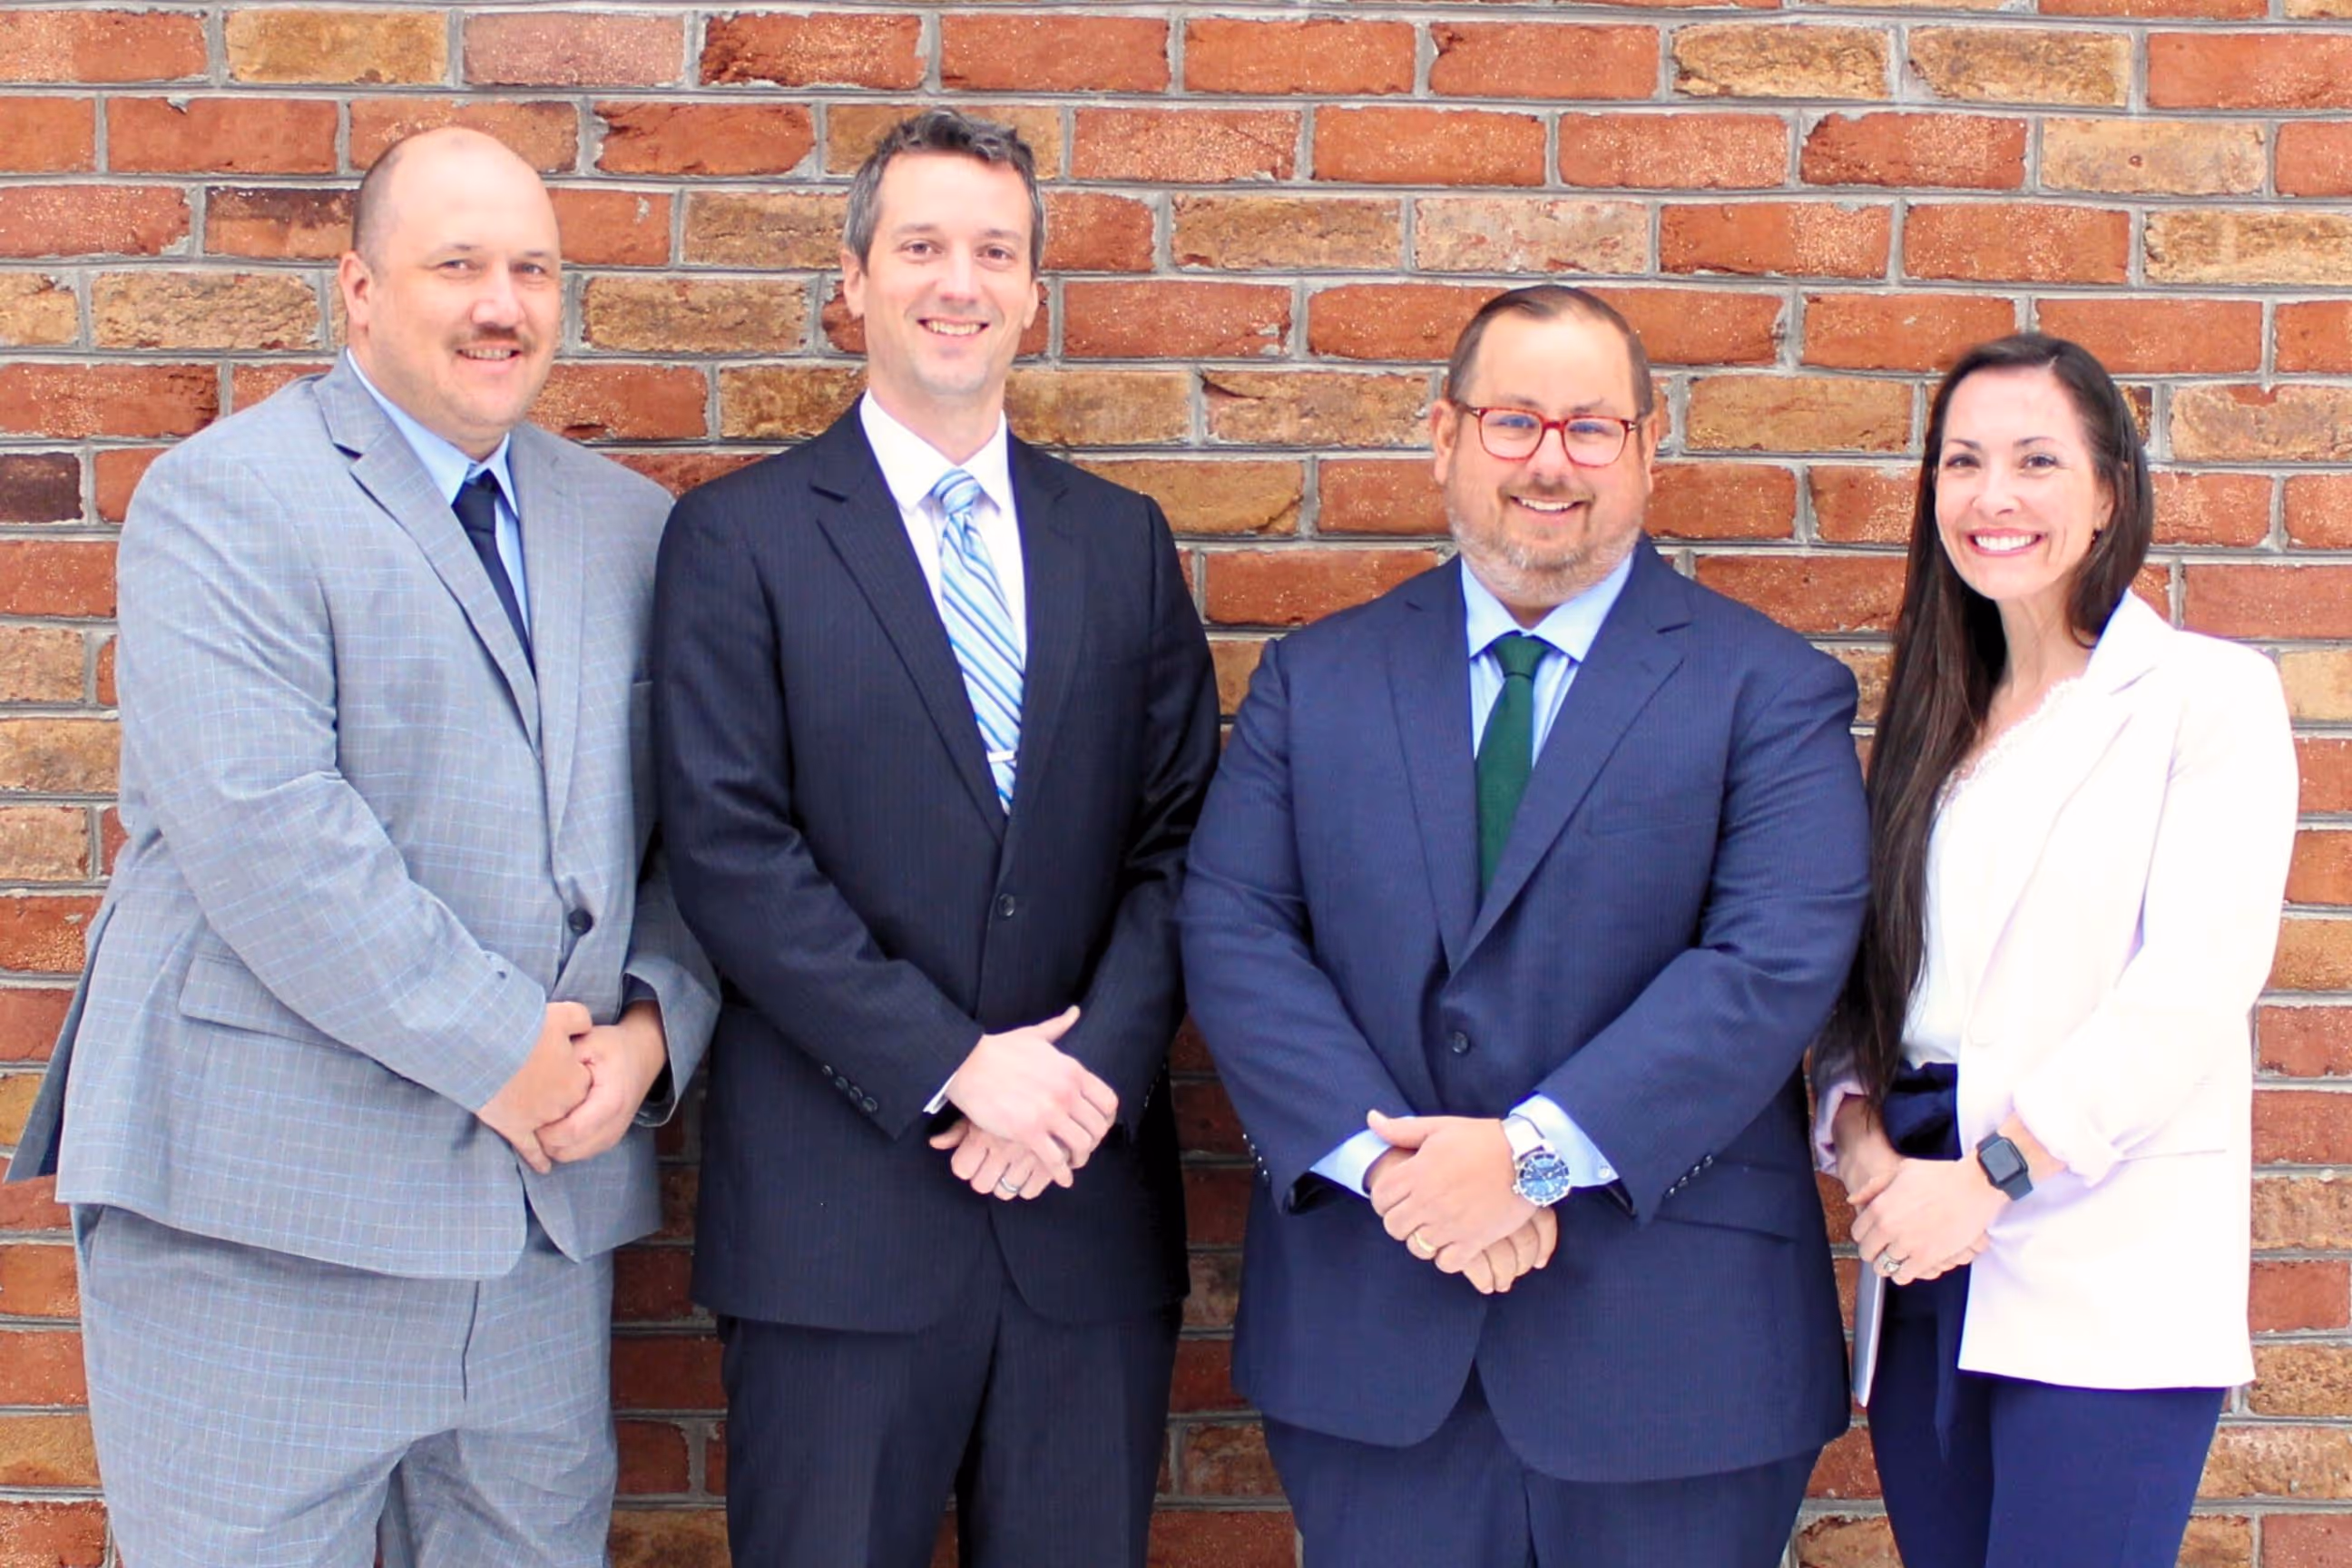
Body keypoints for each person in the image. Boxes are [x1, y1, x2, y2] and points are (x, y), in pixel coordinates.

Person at [3, 126, 717, 1567]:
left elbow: (703, 831)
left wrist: (652, 1029)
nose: (501, 306)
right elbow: (270, 833)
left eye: (532, 270)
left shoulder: (629, 530)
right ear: (360, 289)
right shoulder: (226, 498)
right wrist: (506, 1050)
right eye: (456, 265)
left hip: (533, 1242)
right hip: (260, 1224)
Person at [1177, 283, 1870, 1567]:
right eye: (1514, 421)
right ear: (1445, 437)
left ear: (1649, 450)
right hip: (1378, 1345)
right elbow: (1235, 931)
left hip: (1678, 1367)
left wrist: (1532, 1160)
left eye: (1592, 427)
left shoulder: (1771, 690)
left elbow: (1771, 964)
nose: (1551, 461)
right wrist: (1395, 1176)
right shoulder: (1315, 680)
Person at [651, 108, 1217, 1568]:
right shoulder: (739, 539)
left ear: (1033, 292)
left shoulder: (1122, 540)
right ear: (853, 280)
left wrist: (1078, 1085)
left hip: (1082, 1217)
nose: (958, 282)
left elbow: (1183, 842)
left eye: (995, 252)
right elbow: (730, 850)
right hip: (836, 1232)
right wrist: (960, 1067)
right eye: (920, 246)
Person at [1813, 334, 2296, 1568]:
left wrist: (1991, 1178)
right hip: (1923, 1251)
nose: (1995, 496)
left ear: (2109, 493)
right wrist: (1863, 1148)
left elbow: (2192, 987)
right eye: (1963, 462)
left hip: (2098, 1253)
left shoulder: (2207, 697)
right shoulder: (1931, 722)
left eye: (2037, 461)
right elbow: (1874, 979)